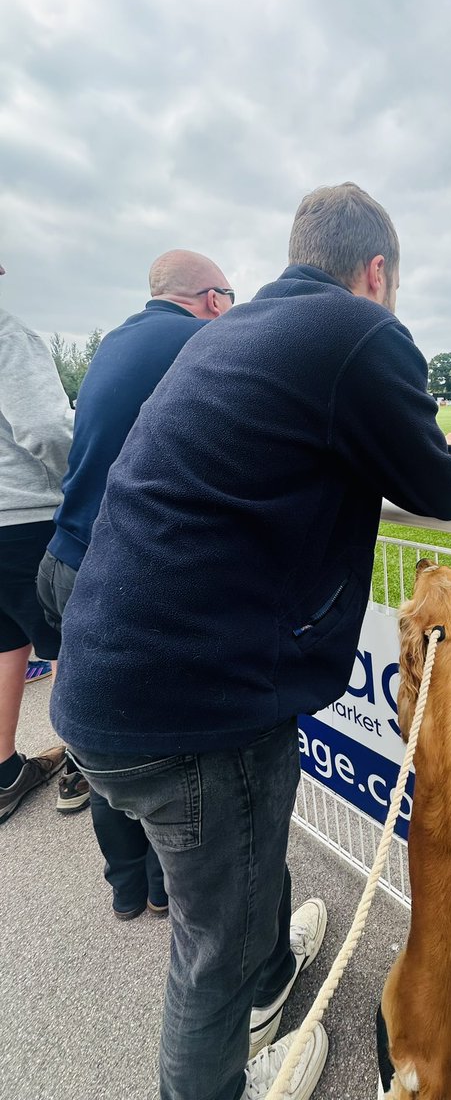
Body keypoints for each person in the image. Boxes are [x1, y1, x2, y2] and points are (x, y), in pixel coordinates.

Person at [51, 183, 451, 1100]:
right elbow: (438, 486)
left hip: (99, 686)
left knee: (232, 881)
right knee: (212, 954)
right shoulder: (360, 332)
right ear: (376, 271)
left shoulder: (227, 332)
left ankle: (265, 963)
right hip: (188, 713)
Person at [36, 250, 234, 917]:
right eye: (230, 298)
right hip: (116, 573)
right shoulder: (204, 341)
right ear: (212, 300)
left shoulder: (119, 339)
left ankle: (128, 885)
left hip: (63, 558)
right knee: (153, 744)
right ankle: (163, 890)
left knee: (100, 734)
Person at [0, 261, 72, 823]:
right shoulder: (10, 337)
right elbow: (48, 430)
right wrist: (80, 479)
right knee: (72, 643)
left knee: (5, 641)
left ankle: (5, 773)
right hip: (24, 521)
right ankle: (83, 765)